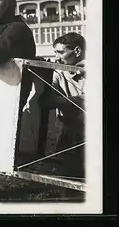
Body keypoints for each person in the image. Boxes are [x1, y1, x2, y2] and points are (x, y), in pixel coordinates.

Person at [43, 33, 86, 179]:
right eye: (55, 52)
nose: (56, 57)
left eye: (60, 52)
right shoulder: (59, 71)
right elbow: (48, 100)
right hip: (68, 130)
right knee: (67, 175)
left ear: (77, 51)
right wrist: (80, 100)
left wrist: (64, 101)